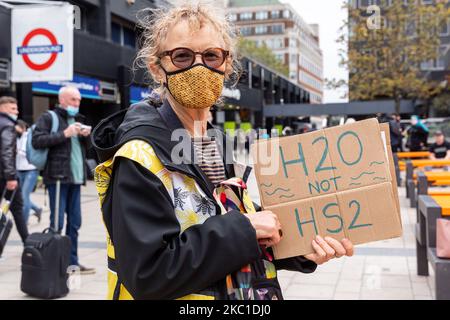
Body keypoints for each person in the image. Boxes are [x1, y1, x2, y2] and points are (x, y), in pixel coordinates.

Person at [92, 3, 353, 300]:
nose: (199, 67)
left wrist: (304, 250)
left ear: (226, 65)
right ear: (157, 68)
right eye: (182, 56)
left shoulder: (213, 141)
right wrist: (243, 228)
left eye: (212, 56)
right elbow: (148, 275)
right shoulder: (138, 156)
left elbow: (238, 235)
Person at [32, 86, 95, 274]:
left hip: (76, 179)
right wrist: (65, 134)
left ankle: (72, 262)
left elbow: (87, 149)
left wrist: (87, 136)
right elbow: (37, 140)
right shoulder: (49, 117)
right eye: (73, 100)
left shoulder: (79, 119)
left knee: (75, 223)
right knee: (57, 224)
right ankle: (54, 263)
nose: (77, 104)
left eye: (78, 100)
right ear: (62, 100)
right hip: (58, 178)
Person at [0, 96, 29, 246]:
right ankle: (28, 244)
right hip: (5, 177)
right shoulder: (7, 126)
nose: (16, 112)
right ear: (2, 107)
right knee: (18, 210)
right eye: (12, 108)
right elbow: (7, 152)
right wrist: (11, 177)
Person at [15, 120, 43, 224]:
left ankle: (24, 222)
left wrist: (15, 150)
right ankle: (37, 209)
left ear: (22, 127)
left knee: (23, 196)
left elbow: (25, 152)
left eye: (17, 128)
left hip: (30, 170)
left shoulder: (28, 136)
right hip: (19, 170)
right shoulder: (16, 137)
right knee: (22, 196)